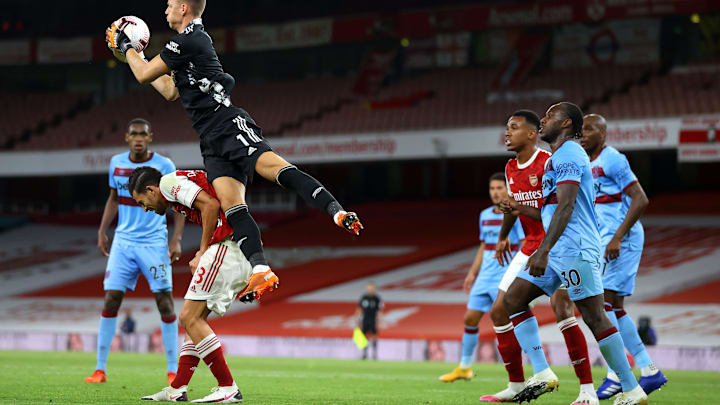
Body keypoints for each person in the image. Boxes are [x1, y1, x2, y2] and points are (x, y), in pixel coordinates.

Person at [105, 0, 362, 300]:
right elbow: (169, 89)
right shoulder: (184, 47)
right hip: (210, 140)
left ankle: (337, 211)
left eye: (171, 4)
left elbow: (144, 74)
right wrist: (135, 56)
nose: (166, 10)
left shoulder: (189, 39)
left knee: (277, 171)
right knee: (233, 207)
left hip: (228, 124)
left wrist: (128, 47)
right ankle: (260, 270)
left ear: (185, 8)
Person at [502, 102, 648, 405]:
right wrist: (518, 208)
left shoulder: (569, 153)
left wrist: (542, 250)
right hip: (559, 248)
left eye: (549, 116)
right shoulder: (558, 156)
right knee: (513, 299)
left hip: (574, 247)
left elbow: (567, 206)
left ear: (566, 123)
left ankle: (632, 388)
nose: (543, 120)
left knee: (595, 317)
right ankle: (542, 372)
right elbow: (552, 206)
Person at [478, 111, 595, 404]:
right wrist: (505, 234)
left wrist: (517, 208)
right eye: (506, 128)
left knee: (562, 306)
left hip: (559, 245)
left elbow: (553, 212)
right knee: (499, 310)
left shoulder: (547, 163)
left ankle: (586, 389)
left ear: (532, 134)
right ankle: (521, 382)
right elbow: (512, 207)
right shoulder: (508, 167)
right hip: (530, 246)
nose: (506, 133)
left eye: (513, 128)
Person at [129, 166, 250, 403]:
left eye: (142, 202)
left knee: (189, 318)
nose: (145, 209)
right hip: (235, 246)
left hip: (228, 245)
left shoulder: (168, 184)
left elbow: (211, 206)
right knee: (194, 320)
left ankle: (228, 386)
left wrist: (202, 251)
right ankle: (178, 388)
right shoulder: (176, 191)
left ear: (151, 190)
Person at [85, 118, 185, 385]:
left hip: (154, 243)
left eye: (143, 134)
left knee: (165, 302)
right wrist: (102, 230)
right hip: (123, 242)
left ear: (150, 136)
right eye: (134, 134)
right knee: (111, 300)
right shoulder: (116, 163)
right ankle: (100, 369)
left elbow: (177, 204)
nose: (138, 138)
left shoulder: (164, 166)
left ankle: (173, 370)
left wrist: (175, 239)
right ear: (126, 138)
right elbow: (114, 199)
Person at [582, 114, 667, 399]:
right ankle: (649, 370)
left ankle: (617, 374)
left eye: (590, 128)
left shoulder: (613, 159)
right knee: (612, 307)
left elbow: (641, 198)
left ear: (604, 134)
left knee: (603, 305)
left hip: (621, 239)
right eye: (581, 129)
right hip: (603, 240)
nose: (584, 133)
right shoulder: (587, 163)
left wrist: (618, 236)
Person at [439, 172, 525, 382]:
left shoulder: (516, 214)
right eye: (492, 189)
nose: (495, 192)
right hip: (484, 277)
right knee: (470, 318)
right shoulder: (485, 215)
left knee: (507, 324)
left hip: (503, 276)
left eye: (499, 188)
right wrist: (472, 272)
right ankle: (464, 367)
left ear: (507, 189)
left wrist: (520, 274)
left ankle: (518, 373)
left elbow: (524, 245)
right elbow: (483, 247)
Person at [356, 282, 384, 360]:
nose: (370, 289)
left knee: (374, 336)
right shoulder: (364, 297)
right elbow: (359, 309)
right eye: (369, 288)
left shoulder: (377, 298)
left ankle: (374, 354)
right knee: (364, 337)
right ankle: (364, 354)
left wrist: (379, 321)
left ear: (374, 289)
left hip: (373, 319)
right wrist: (357, 319)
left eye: (372, 288)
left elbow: (379, 311)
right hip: (365, 319)